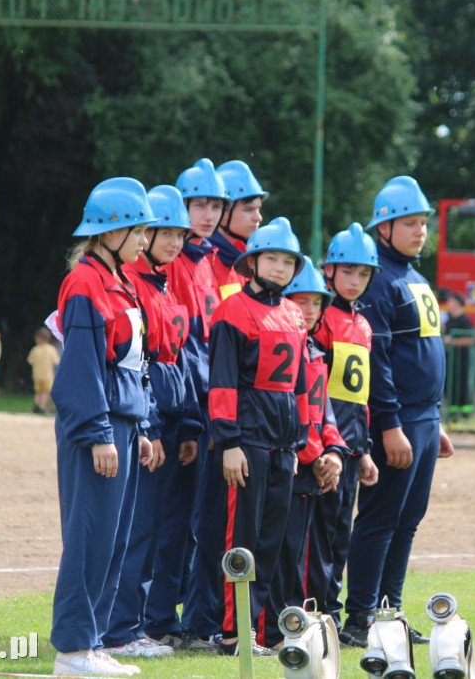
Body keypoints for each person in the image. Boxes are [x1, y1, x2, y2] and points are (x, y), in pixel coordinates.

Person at [341, 176, 455, 647]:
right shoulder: (379, 279)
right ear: (383, 229)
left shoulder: (415, 277)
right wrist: (389, 425)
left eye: (424, 223)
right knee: (380, 518)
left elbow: (424, 354)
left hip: (423, 420)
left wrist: (436, 418)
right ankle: (360, 618)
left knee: (408, 521)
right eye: (410, 222)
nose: (420, 230)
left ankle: (390, 613)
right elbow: (378, 363)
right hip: (399, 421)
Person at [50, 177, 155, 677]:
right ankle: (71, 650)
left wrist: (145, 426)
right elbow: (81, 371)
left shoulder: (123, 280)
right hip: (101, 427)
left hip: (125, 424)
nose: (143, 238)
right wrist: (98, 434)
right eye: (137, 229)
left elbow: (135, 363)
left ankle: (91, 642)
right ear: (110, 230)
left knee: (113, 539)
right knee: (90, 536)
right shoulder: (86, 283)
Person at [102, 185, 203, 660]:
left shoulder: (162, 283)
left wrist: (184, 428)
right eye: (166, 232)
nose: (175, 242)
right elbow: (140, 368)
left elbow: (174, 362)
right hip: (144, 427)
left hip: (166, 425)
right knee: (138, 530)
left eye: (181, 235)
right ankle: (122, 628)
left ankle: (141, 623)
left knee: (158, 530)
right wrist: (152, 429)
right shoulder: (132, 284)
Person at [207, 216, 309, 657]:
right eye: (272, 257)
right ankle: (235, 634)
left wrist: (302, 439)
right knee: (242, 540)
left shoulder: (292, 312)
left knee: (271, 541)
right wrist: (229, 441)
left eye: (288, 261)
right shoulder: (232, 310)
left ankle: (262, 632)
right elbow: (223, 382)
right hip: (247, 443)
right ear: (252, 261)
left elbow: (301, 384)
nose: (280, 267)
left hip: (284, 445)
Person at [146, 159, 228, 654]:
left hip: (198, 409)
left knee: (193, 525)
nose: (207, 214)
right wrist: (186, 417)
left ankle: (172, 617)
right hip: (174, 410)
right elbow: (175, 347)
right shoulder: (173, 264)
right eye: (199, 203)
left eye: (215, 204)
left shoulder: (204, 263)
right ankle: (156, 618)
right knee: (167, 521)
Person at [261, 255, 346, 649]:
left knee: (300, 552)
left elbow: (323, 410)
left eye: (317, 302)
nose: (310, 310)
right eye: (302, 300)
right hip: (292, 461)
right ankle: (273, 630)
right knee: (281, 553)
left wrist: (335, 451)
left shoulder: (314, 350)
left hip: (313, 463)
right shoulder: (290, 346)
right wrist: (315, 455)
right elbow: (291, 411)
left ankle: (296, 623)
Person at [309, 222, 380, 647]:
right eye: (347, 272)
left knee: (340, 536)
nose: (355, 281)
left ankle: (332, 615)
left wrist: (365, 450)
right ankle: (317, 614)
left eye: (363, 274)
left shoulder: (363, 325)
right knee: (318, 537)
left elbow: (361, 396)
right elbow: (316, 392)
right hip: (327, 447)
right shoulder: (322, 321)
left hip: (353, 448)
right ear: (330, 271)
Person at [209, 160, 267, 300]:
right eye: (249, 210)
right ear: (222, 210)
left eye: (258, 209)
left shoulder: (245, 260)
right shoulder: (203, 259)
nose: (258, 217)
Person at [443, 291, 475, 418]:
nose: (447, 304)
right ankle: (453, 414)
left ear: (457, 303)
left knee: (461, 387)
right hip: (450, 359)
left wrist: (452, 341)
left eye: (450, 301)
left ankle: (466, 415)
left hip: (461, 360)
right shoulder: (450, 318)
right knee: (450, 386)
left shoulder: (464, 320)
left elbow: (471, 339)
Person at [27, 327, 60, 414]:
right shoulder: (51, 349)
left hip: (37, 375)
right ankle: (42, 407)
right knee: (46, 392)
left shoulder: (35, 349)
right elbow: (56, 362)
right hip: (48, 376)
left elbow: (30, 361)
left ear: (39, 339)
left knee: (38, 392)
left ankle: (37, 405)